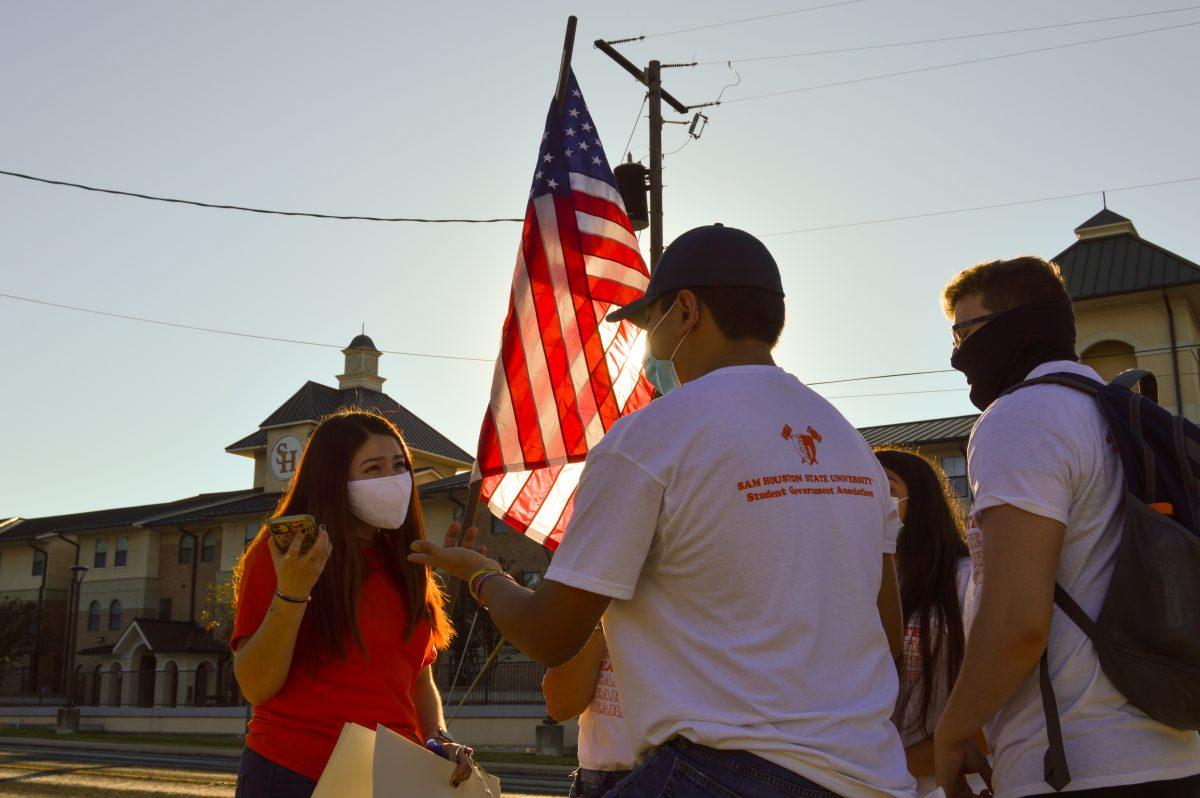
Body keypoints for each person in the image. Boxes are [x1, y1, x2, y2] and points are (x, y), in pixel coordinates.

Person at [410, 224, 915, 797]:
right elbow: (888, 634)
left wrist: (481, 574)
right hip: (874, 775)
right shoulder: (849, 443)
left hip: (725, 772)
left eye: (649, 324)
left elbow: (550, 635)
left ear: (686, 311)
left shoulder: (651, 438)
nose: (647, 345)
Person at [932, 257, 1200, 797]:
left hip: (1074, 762)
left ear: (1016, 325)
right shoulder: (1122, 414)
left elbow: (1017, 621)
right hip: (1178, 750)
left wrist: (954, 728)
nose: (956, 354)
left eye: (962, 331)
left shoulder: (1021, 418)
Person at [231, 410, 473, 797]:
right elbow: (256, 686)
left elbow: (417, 676)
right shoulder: (285, 553)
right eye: (373, 468)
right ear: (333, 480)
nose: (393, 481)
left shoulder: (404, 559)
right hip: (297, 774)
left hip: (389, 776)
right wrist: (292, 591)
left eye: (399, 466)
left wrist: (438, 737)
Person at [875, 448, 989, 797]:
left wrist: (893, 763)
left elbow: (993, 713)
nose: (873, 502)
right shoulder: (860, 588)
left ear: (921, 499)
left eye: (886, 489)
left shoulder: (963, 581)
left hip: (953, 785)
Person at [543, 626, 637, 797]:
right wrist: (598, 619)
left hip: (675, 767)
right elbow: (560, 707)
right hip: (596, 778)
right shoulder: (597, 611)